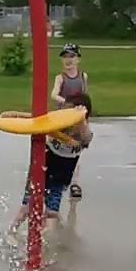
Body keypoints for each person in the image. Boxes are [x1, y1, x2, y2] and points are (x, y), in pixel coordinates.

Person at [3, 94, 93, 247]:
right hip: (43, 168)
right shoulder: (57, 127)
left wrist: (80, 119)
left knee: (52, 212)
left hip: (60, 177)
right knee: (28, 204)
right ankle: (11, 231)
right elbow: (41, 125)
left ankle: (39, 235)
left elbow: (86, 138)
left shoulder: (84, 134)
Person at [51, 43, 87, 202]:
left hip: (77, 118)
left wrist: (85, 112)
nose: (68, 60)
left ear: (78, 58)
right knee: (58, 145)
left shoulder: (83, 76)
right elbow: (54, 94)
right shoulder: (60, 78)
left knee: (76, 150)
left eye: (71, 56)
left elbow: (85, 95)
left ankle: (74, 183)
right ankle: (55, 176)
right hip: (63, 117)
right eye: (65, 57)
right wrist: (66, 102)